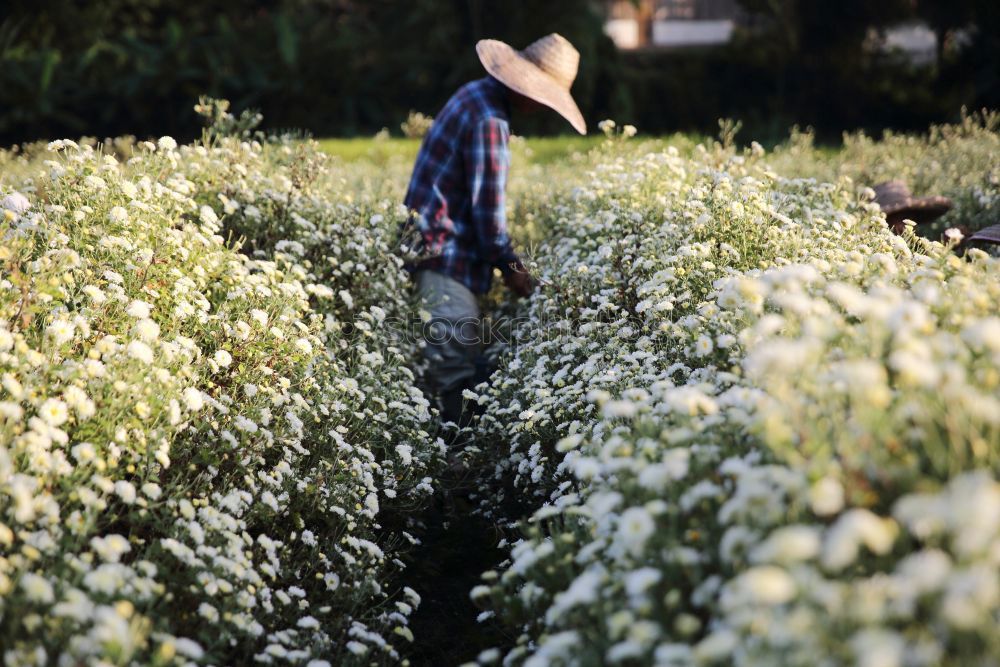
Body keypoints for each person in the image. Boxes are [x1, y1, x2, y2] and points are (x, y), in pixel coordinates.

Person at [401, 33, 586, 426]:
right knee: (451, 364)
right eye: (542, 98)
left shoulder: (475, 95)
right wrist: (513, 267)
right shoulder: (489, 120)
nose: (540, 109)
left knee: (450, 357)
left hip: (433, 249)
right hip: (443, 255)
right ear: (526, 89)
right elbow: (488, 215)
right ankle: (447, 466)